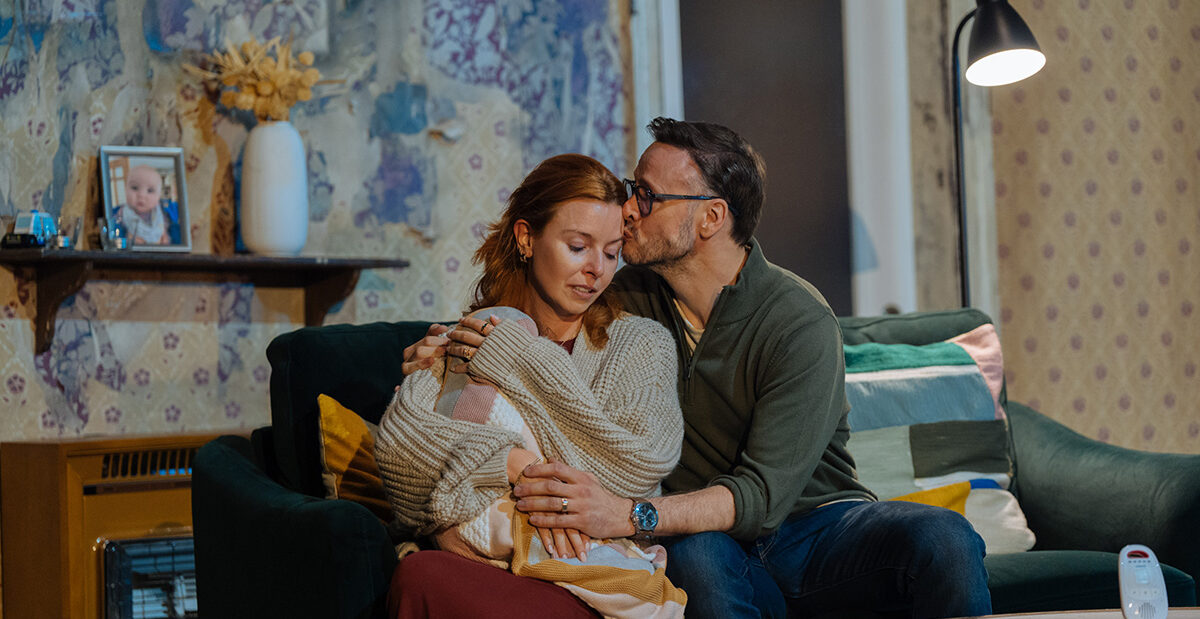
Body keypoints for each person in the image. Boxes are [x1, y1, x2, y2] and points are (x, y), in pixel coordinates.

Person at [409, 119, 993, 618]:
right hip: (702, 537)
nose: (628, 210)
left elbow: (763, 497)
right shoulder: (625, 293)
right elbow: (536, 318)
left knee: (944, 536)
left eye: (646, 194)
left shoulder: (797, 320)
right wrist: (449, 345)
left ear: (711, 218)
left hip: (813, 525)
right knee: (699, 560)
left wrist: (628, 514)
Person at [376, 153, 687, 618]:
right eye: (578, 246)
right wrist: (510, 461)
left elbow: (636, 468)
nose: (596, 270)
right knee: (422, 577)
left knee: (427, 578)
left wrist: (519, 359)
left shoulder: (641, 344)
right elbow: (400, 451)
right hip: (480, 563)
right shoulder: (473, 333)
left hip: (587, 576)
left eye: (610, 252)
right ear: (526, 238)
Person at [113, 164, 177, 245]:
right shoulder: (119, 214)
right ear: (126, 190)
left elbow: (176, 237)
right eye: (135, 188)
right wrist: (127, 241)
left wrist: (167, 240)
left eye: (150, 190)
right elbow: (112, 241)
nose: (141, 195)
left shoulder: (164, 214)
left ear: (158, 197)